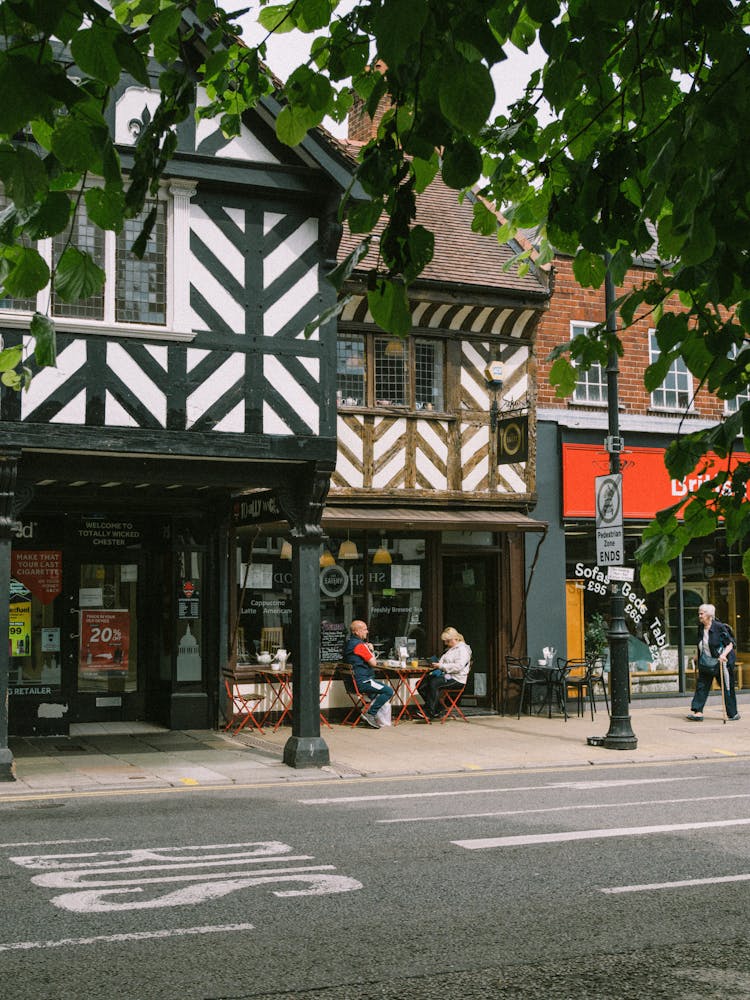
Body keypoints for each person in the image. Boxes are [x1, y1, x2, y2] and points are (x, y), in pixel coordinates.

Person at [687, 603, 740, 721]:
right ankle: (698, 711)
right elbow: (703, 644)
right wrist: (697, 656)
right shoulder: (701, 627)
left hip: (721, 663)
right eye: (699, 613)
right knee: (701, 686)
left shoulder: (719, 627)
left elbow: (730, 644)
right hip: (706, 662)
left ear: (709, 615)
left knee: (726, 687)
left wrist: (723, 655)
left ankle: (733, 713)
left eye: (702, 613)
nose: (699, 616)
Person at [343, 619, 394, 729]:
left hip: (353, 683)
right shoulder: (360, 646)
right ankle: (370, 714)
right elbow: (373, 663)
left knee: (376, 695)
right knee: (388, 691)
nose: (367, 632)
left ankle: (370, 714)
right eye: (364, 629)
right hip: (364, 681)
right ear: (356, 631)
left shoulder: (349, 644)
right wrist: (371, 650)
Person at [421, 626, 472, 719]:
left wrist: (441, 666)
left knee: (434, 683)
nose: (445, 643)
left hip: (457, 678)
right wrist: (436, 664)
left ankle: (430, 711)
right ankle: (438, 708)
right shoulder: (451, 649)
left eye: (447, 641)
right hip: (448, 675)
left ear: (454, 639)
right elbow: (443, 661)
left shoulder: (462, 650)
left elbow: (458, 667)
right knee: (421, 684)